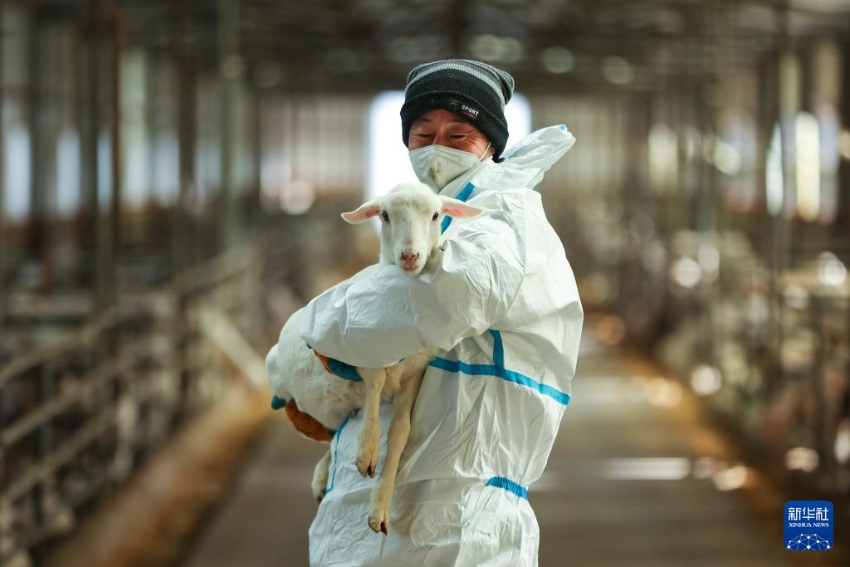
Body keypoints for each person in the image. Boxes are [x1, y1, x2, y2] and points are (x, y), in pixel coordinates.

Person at [296, 59, 582, 566]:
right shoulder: (436, 221)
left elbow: (412, 307)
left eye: (459, 135)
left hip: (454, 523)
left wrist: (311, 330)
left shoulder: (500, 221)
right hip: (393, 519)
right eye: (422, 133)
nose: (435, 148)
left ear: (491, 143)